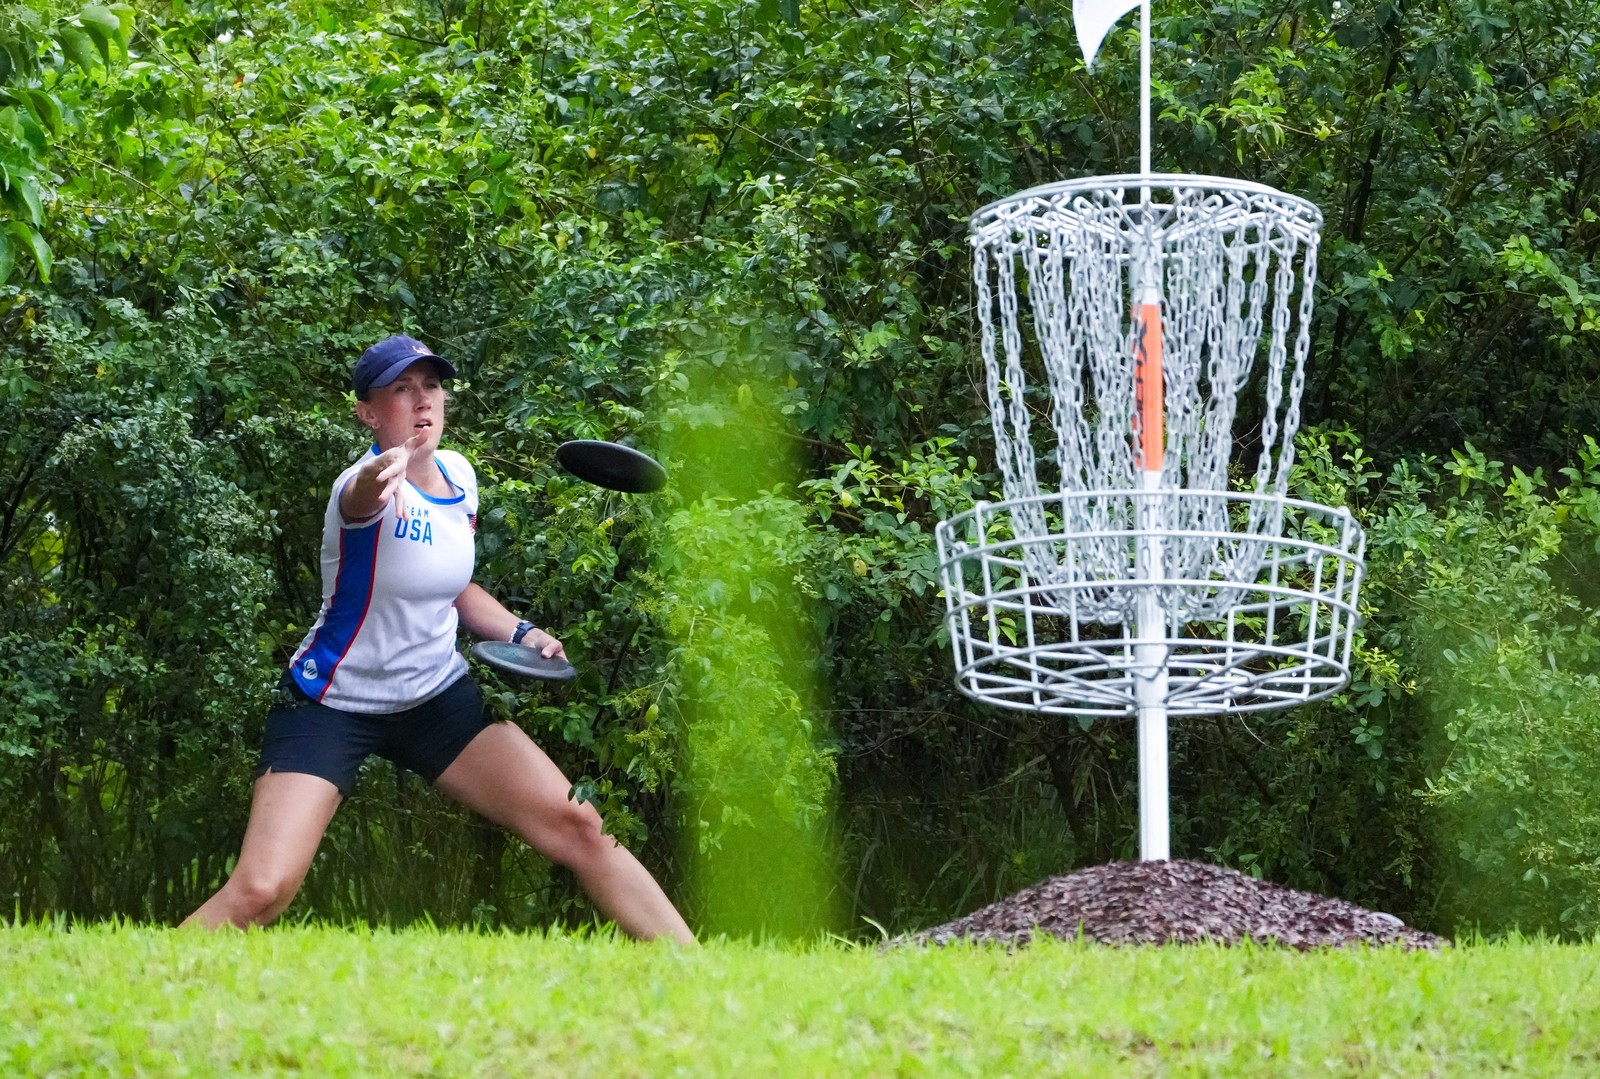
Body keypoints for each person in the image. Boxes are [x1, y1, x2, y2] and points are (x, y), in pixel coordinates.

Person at [183, 334, 694, 944]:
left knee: (578, 825)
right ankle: (141, 980)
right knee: (262, 890)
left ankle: (699, 976)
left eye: (430, 386)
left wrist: (523, 631)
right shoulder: (364, 490)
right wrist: (381, 469)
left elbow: (452, 586)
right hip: (331, 702)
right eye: (400, 390)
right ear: (368, 413)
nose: (421, 401)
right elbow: (363, 493)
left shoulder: (458, 476)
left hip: (433, 696)